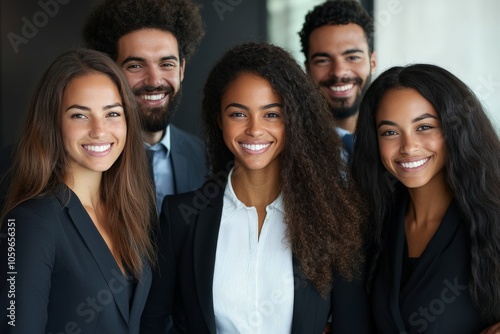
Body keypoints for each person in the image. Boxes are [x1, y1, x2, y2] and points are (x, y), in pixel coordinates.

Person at [140, 42, 372, 333]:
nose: (254, 129)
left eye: (272, 114)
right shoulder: (181, 218)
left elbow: (353, 326)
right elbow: (154, 322)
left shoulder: (333, 217)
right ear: (220, 120)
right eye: (238, 114)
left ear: (293, 120)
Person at [0, 48, 156, 334]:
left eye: (112, 113)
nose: (99, 130)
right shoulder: (29, 222)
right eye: (80, 116)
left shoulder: (129, 210)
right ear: (53, 124)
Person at [351, 64, 500, 333]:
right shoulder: (375, 223)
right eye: (390, 132)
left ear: (454, 128)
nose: (408, 147)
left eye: (424, 127)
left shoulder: (494, 213)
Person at [83, 0, 207, 211]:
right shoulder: (86, 155)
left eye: (167, 64)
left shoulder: (204, 156)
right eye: (136, 66)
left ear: (182, 70)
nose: (154, 81)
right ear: (112, 71)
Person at [299, 0, 377, 155]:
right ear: (307, 69)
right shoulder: (290, 146)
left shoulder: (399, 137)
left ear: (372, 63)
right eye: (323, 61)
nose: (339, 72)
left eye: (352, 57)